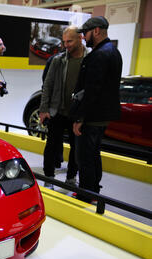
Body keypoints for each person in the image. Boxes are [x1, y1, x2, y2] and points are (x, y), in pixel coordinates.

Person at [71, 16, 122, 202]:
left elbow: (92, 91)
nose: (84, 37)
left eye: (86, 33)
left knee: (85, 156)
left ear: (97, 31)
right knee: (93, 154)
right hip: (101, 115)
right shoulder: (113, 52)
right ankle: (93, 190)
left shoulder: (99, 55)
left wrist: (79, 118)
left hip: (92, 116)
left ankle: (86, 194)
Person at [39, 26, 89, 189]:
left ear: (80, 38)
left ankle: (71, 177)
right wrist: (44, 109)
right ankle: (49, 178)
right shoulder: (58, 60)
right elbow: (48, 85)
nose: (66, 45)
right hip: (57, 111)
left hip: (78, 114)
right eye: (64, 41)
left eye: (70, 41)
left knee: (77, 148)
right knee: (52, 145)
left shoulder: (90, 60)